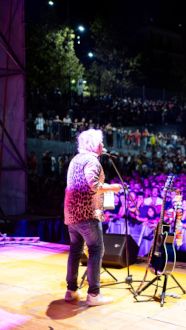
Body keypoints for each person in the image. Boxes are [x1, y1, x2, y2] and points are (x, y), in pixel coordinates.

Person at [63, 129, 122, 306]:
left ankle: (71, 290)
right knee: (96, 250)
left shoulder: (76, 159)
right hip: (86, 213)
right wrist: (112, 187)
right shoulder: (92, 161)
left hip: (71, 213)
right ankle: (94, 295)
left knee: (75, 250)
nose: (103, 145)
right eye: (101, 142)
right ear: (95, 144)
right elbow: (93, 185)